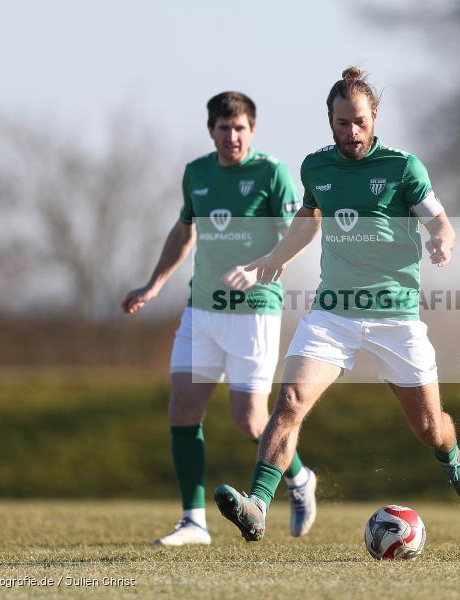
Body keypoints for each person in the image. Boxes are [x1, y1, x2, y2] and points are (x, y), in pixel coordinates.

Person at [213, 68, 460, 542]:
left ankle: (451, 455)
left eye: (359, 122)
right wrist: (269, 261)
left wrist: (441, 240)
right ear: (330, 121)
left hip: (396, 319)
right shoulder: (316, 167)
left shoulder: (403, 168)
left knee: (427, 427)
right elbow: (307, 220)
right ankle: (257, 505)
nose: (351, 133)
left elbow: (440, 223)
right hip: (332, 313)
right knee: (290, 400)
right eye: (342, 123)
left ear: (374, 117)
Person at [121, 91, 317, 546]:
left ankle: (300, 478)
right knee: (183, 406)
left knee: (250, 420)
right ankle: (194, 521)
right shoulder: (197, 173)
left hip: (254, 312)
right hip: (201, 310)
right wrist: (153, 284)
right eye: (225, 128)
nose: (233, 136)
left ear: (253, 130)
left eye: (241, 128)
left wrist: (259, 267)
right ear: (211, 130)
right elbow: (184, 229)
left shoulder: (272, 174)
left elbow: (298, 234)